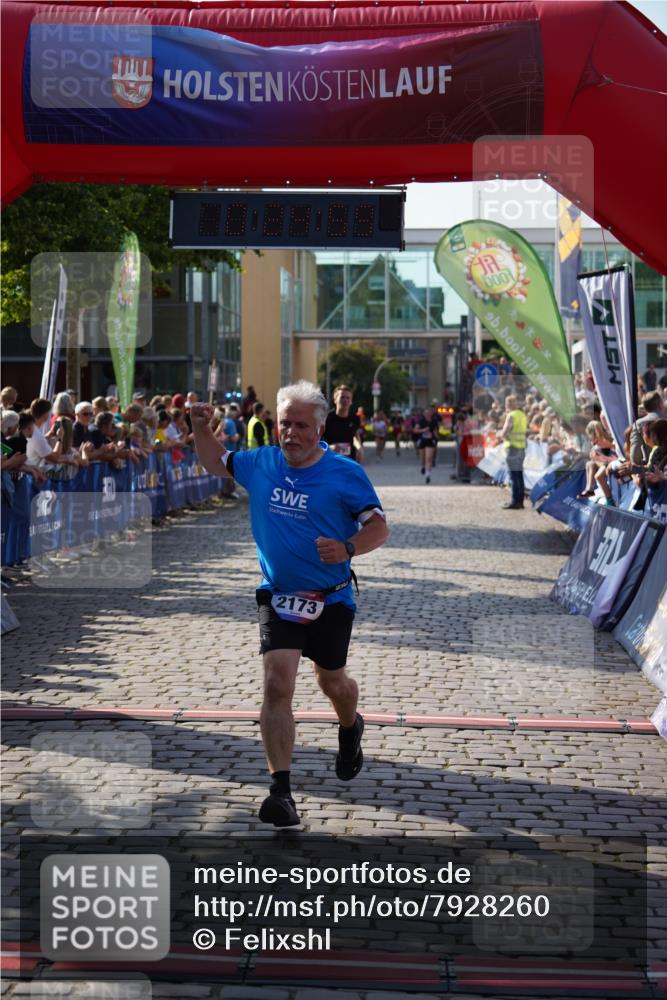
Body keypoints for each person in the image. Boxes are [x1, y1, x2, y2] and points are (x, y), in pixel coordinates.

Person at [191, 380, 389, 828]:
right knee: (277, 684)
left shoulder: (344, 473)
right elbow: (216, 461)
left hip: (332, 597)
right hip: (278, 594)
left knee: (333, 683)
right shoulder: (261, 463)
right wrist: (201, 428)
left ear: (319, 429)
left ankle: (350, 726)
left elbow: (379, 528)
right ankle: (280, 792)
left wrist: (348, 548)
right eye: (285, 424)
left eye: (301, 426)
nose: (291, 434)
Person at [498, 395, 527, 509]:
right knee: (519, 476)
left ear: (509, 404)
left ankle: (515, 502)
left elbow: (505, 432)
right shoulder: (522, 415)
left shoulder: (511, 415)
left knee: (513, 476)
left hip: (512, 448)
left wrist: (501, 435)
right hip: (522, 448)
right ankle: (520, 501)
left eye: (507, 403)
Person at [323, 385, 362, 462]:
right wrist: (330, 447)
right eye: (342, 397)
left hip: (349, 460)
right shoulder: (326, 419)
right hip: (330, 460)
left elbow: (355, 436)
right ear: (335, 400)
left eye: (348, 398)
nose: (345, 400)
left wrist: (359, 448)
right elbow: (318, 442)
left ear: (351, 401)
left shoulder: (355, 419)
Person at [413, 406, 439, 484]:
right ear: (424, 414)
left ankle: (428, 475)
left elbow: (435, 431)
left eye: (429, 413)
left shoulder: (434, 421)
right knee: (423, 458)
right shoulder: (421, 421)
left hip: (430, 440)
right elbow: (415, 430)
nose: (427, 414)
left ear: (431, 413)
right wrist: (423, 430)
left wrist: (436, 438)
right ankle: (423, 466)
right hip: (422, 440)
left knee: (429, 458)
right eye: (426, 413)